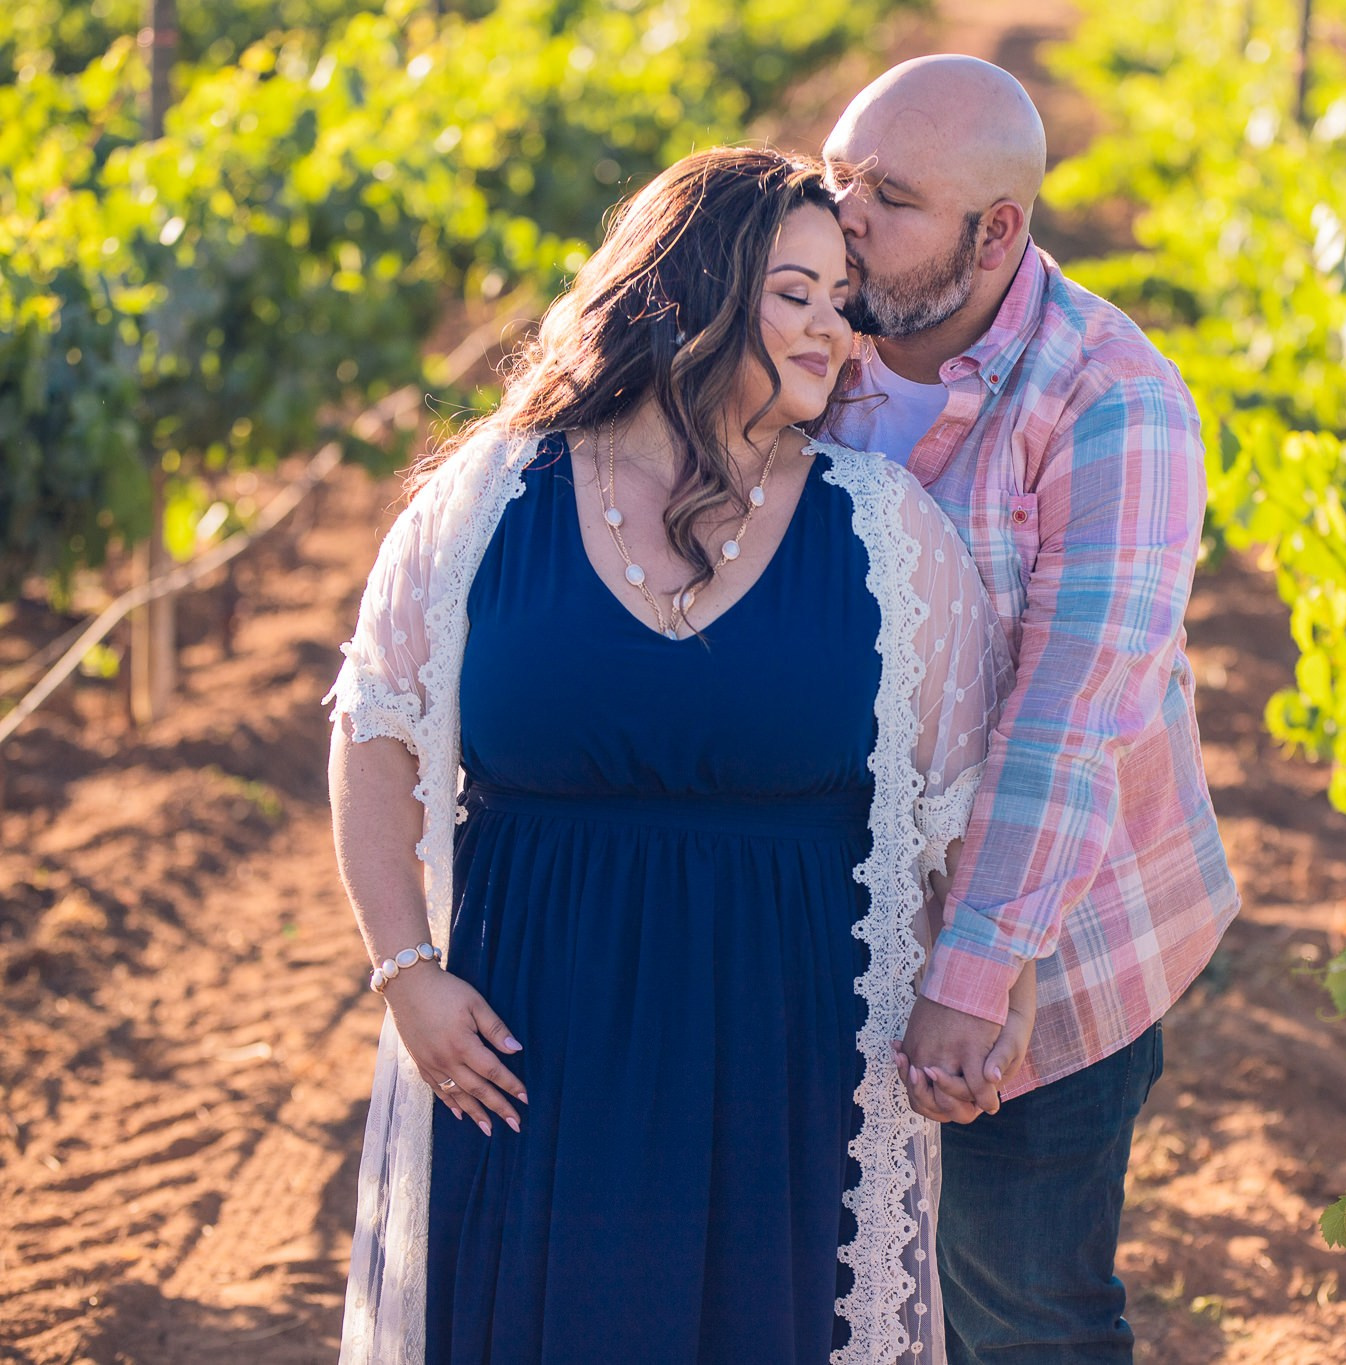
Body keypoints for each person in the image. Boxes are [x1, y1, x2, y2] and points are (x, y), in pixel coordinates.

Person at [324, 146, 1030, 1365]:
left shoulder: (887, 533)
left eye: (841, 302)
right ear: (688, 291)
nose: (835, 333)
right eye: (795, 294)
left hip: (786, 1068)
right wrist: (405, 973)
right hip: (530, 1056)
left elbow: (958, 809)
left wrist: (984, 997)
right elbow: (373, 733)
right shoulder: (490, 495)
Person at [824, 56, 1240, 1364]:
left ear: (997, 231)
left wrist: (977, 966)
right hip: (835, 899)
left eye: (888, 197)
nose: (844, 219)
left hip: (1047, 931)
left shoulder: (1110, 400)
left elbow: (1070, 713)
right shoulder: (801, 332)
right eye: (836, 177)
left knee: (1018, 1309)